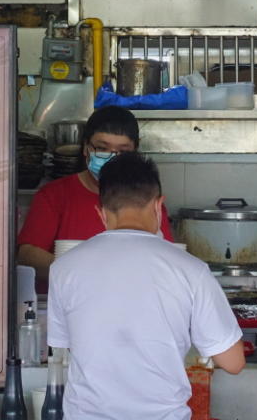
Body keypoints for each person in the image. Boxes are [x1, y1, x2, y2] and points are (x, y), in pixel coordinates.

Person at [47, 152, 245, 419]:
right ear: (158, 206)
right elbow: (233, 362)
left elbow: (70, 344)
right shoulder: (190, 269)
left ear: (101, 212)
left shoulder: (63, 269)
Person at [17, 106, 174, 279]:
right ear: (86, 148)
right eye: (102, 148)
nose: (111, 158)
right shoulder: (54, 196)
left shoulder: (147, 201)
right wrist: (79, 274)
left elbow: (165, 258)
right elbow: (27, 254)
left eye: (123, 151)